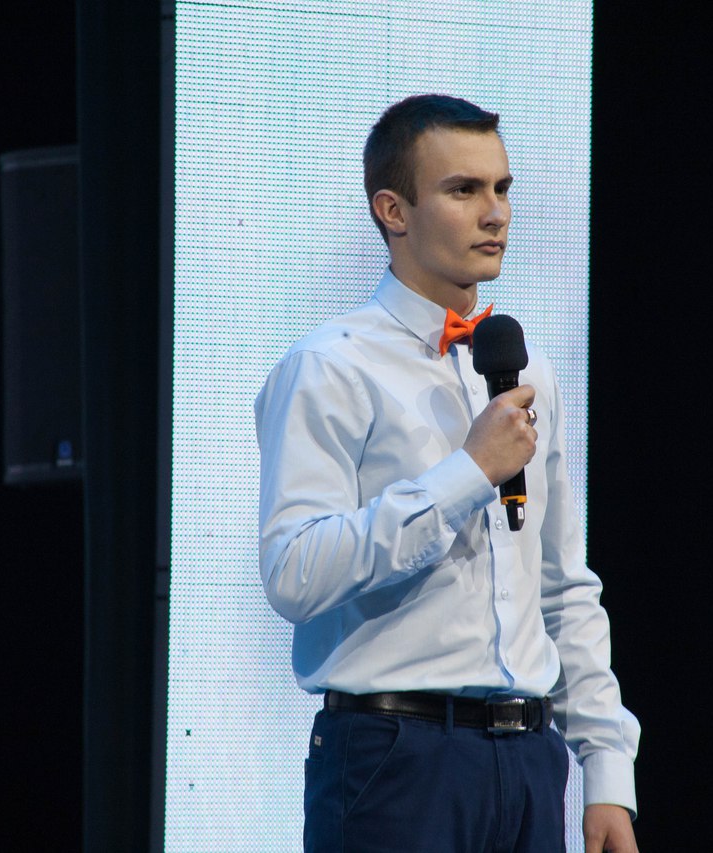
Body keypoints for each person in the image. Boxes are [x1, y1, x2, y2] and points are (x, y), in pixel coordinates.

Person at [255, 95, 640, 852]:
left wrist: (605, 770)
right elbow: (294, 572)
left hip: (529, 760)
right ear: (393, 210)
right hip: (396, 759)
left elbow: (562, 585)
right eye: (463, 190)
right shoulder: (330, 366)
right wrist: (468, 473)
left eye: (502, 188)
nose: (495, 213)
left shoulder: (527, 369)